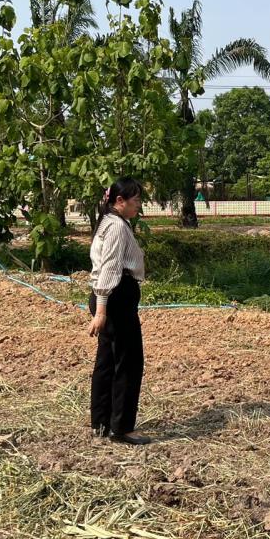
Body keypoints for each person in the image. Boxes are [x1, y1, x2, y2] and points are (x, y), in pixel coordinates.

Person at [87, 178, 150, 445]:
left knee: (107, 362)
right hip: (115, 298)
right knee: (127, 362)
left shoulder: (109, 223)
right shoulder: (116, 228)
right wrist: (101, 310)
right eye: (135, 201)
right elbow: (109, 269)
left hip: (110, 297)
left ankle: (101, 423)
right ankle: (121, 427)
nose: (139, 205)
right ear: (120, 201)